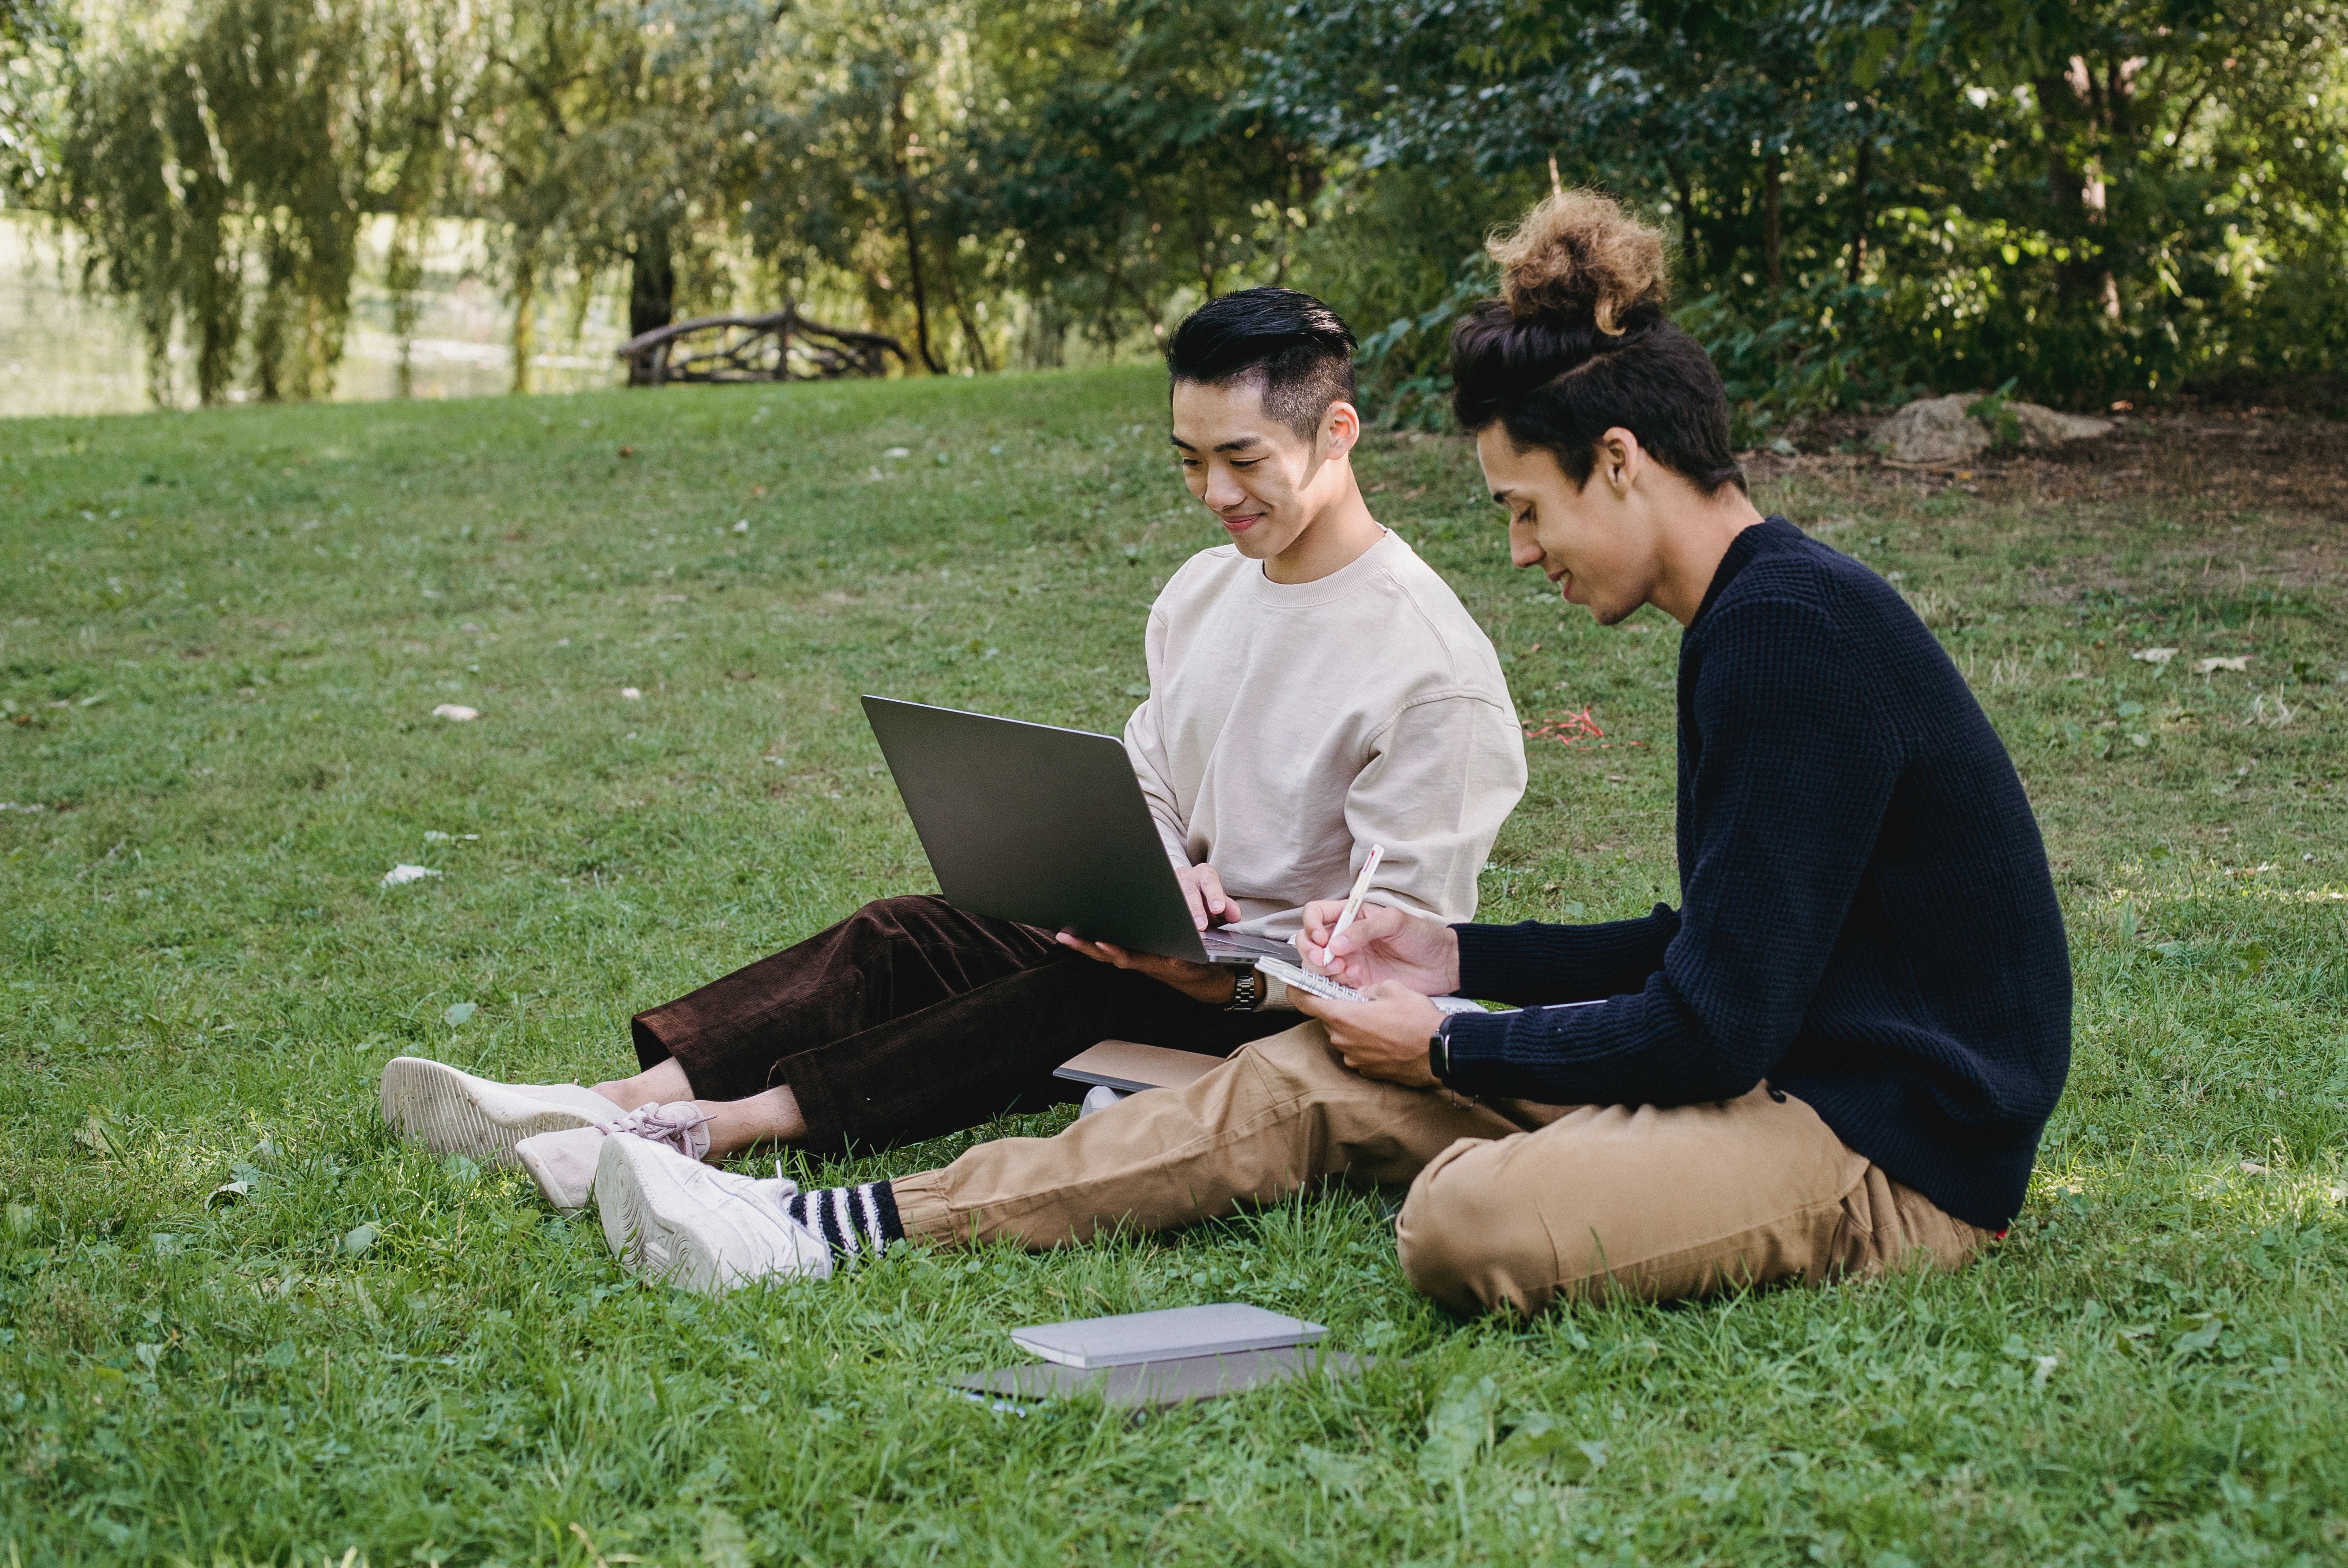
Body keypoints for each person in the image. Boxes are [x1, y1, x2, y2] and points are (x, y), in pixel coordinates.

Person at [587, 192, 2073, 1311]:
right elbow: (1704, 949)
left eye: (1526, 507)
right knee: (1303, 1079)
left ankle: (785, 1180)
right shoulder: (1750, 617)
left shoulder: (1787, 630)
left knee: (1461, 1227)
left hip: (1889, 1152)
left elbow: (1716, 1027)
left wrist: (1451, 1046)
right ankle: (825, 1229)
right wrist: (1452, 968)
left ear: (1619, 463)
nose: (1520, 548)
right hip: (1775, 1068)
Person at [379, 287, 1528, 1207]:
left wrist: (1217, 968)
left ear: (1337, 432)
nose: (1212, 492)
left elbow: (1403, 959)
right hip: (1159, 937)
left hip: (1260, 1013)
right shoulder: (1203, 591)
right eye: (1187, 459)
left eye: (1240, 459)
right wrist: (1157, 866)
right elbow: (1151, 768)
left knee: (1055, 989)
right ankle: (606, 1096)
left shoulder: (1430, 669)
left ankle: (708, 1132)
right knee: (907, 930)